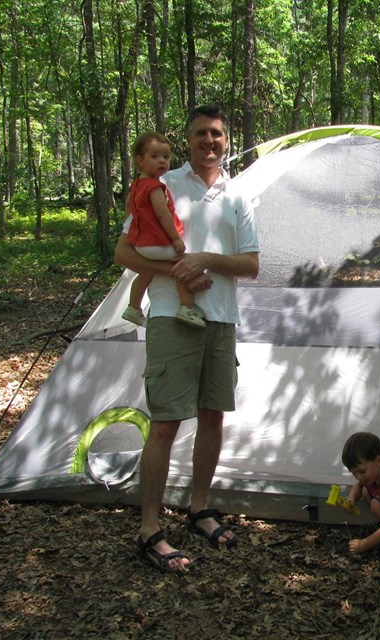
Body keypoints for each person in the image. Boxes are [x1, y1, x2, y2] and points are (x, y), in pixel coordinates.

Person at [114, 105, 260, 572]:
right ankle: (149, 529)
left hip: (220, 319)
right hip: (173, 317)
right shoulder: (162, 184)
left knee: (212, 416)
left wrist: (206, 260)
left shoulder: (238, 196)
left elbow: (252, 264)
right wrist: (177, 268)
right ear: (188, 139)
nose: (209, 141)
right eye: (200, 134)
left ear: (226, 140)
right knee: (166, 421)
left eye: (216, 134)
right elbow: (124, 251)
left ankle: (199, 508)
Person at [121, 131, 205, 329]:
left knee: (146, 272)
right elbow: (163, 215)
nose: (162, 161)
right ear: (140, 160)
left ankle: (133, 307)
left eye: (166, 157)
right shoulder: (154, 187)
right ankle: (186, 308)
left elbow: (128, 207)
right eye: (155, 156)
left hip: (142, 245)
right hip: (156, 244)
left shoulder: (137, 185)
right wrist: (176, 240)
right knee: (184, 267)